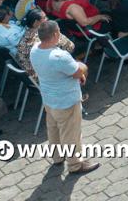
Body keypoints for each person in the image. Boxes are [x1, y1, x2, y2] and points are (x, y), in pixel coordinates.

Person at [31, 20, 99, 175]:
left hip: (49, 99)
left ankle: (57, 157)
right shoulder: (59, 56)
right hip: (66, 101)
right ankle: (75, 164)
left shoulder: (34, 50)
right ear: (56, 34)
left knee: (53, 129)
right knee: (71, 134)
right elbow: (78, 72)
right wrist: (82, 66)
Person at [44, 0, 110, 30]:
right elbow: (85, 23)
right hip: (94, 26)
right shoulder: (72, 7)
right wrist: (100, 17)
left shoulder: (51, 1)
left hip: (76, 28)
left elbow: (48, 10)